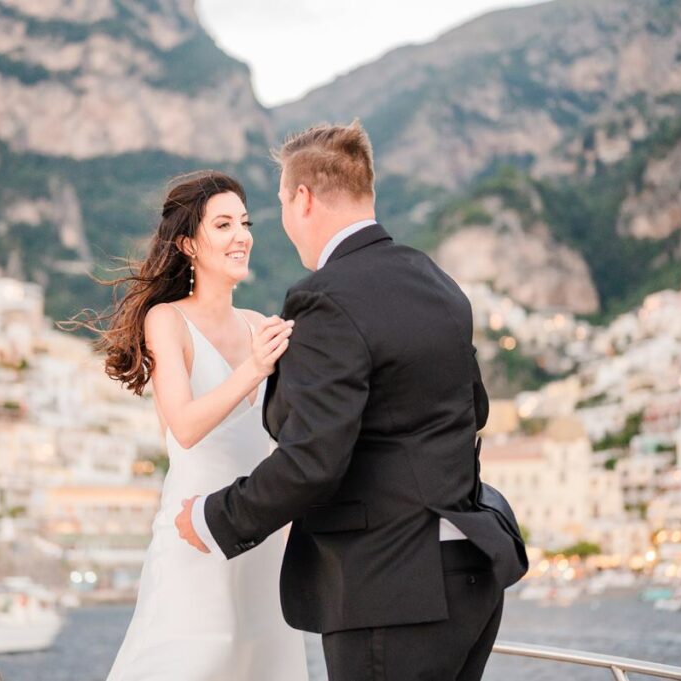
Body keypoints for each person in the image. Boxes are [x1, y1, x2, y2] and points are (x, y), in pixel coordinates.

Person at [175, 122, 526, 681]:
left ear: (303, 199)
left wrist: (215, 517)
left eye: (281, 206)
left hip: (392, 589)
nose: (284, 225)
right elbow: (473, 412)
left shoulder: (326, 298)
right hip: (471, 576)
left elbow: (313, 459)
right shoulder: (437, 282)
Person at [88, 171, 308, 681]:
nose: (242, 235)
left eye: (246, 222)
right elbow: (184, 427)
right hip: (196, 537)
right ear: (189, 243)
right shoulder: (166, 320)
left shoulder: (261, 325)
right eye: (224, 224)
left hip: (265, 540)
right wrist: (254, 369)